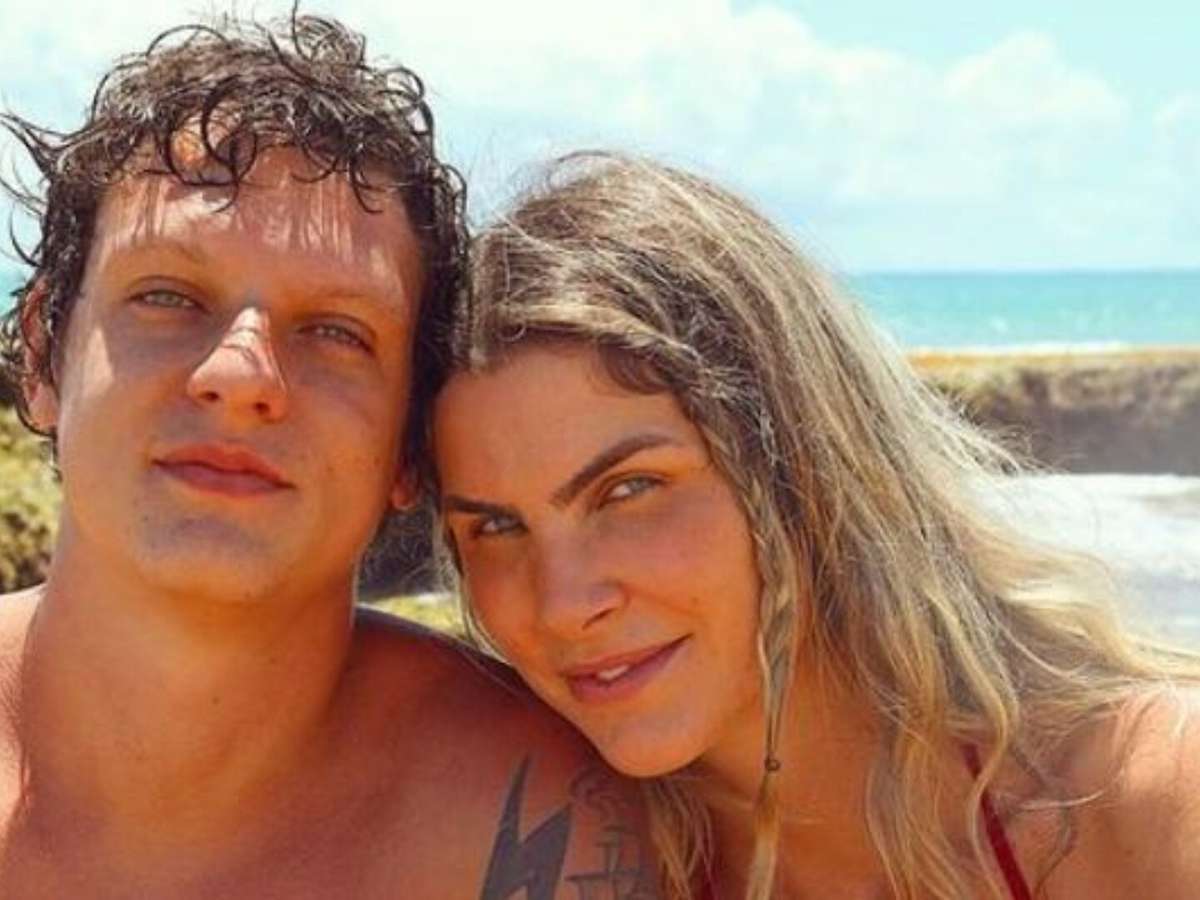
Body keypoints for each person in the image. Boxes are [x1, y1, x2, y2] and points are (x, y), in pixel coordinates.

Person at [429, 152, 1200, 899]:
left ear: (803, 462)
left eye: (630, 489)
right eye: (496, 529)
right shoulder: (573, 866)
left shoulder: (1150, 801)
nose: (564, 604)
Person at [0, 18, 654, 898]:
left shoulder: (531, 810)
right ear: (44, 354)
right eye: (168, 295)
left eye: (337, 332)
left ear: (409, 447)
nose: (241, 377)